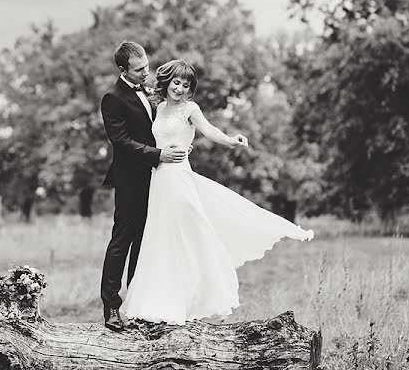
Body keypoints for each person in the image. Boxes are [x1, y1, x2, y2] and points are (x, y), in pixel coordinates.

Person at [120, 59, 314, 325]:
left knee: (188, 235)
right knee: (160, 238)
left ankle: (193, 294)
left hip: (179, 179)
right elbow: (152, 141)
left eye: (186, 85)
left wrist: (229, 140)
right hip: (159, 180)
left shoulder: (191, 108)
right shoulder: (159, 108)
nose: (180, 89)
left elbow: (208, 129)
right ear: (166, 82)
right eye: (176, 83)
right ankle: (158, 304)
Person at [99, 42, 189, 331]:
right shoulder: (112, 98)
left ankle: (137, 304)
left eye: (146, 67)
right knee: (121, 242)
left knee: (145, 243)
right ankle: (111, 306)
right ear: (123, 69)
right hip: (130, 181)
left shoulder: (150, 95)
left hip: (158, 180)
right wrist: (158, 155)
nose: (146, 73)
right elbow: (121, 142)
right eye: (139, 70)